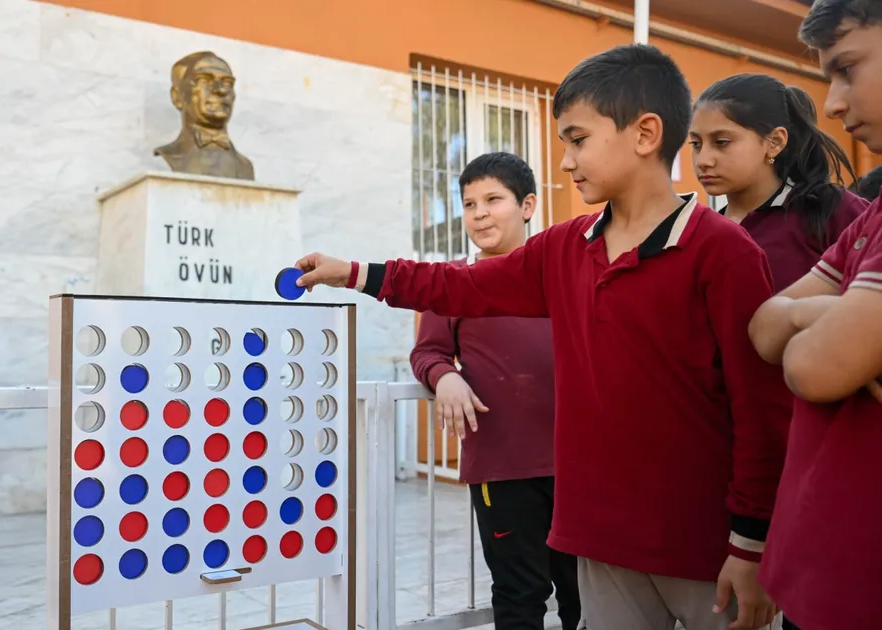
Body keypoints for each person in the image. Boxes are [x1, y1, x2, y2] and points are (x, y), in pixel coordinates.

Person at [293, 44, 792, 630]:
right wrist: (356, 274)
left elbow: (762, 411)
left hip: (705, 548)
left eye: (577, 140)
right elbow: (459, 286)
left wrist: (751, 542)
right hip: (600, 544)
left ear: (645, 133)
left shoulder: (724, 252)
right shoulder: (564, 248)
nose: (566, 161)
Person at [747, 1, 882, 628]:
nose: (832, 103)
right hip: (824, 561)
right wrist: (835, 314)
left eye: (848, 68)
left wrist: (813, 325)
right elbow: (763, 328)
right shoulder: (873, 218)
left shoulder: (839, 212)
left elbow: (813, 368)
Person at [409, 152, 580, 630]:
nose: (479, 213)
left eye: (493, 200)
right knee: (519, 592)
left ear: (527, 206)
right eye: (469, 204)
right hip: (501, 468)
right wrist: (444, 376)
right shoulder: (452, 282)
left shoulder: (561, 274)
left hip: (577, 464)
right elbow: (427, 352)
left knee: (584, 592)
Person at [690, 74, 867, 290]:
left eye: (721, 142)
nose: (702, 160)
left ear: (774, 142)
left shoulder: (831, 210)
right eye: (696, 144)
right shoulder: (697, 233)